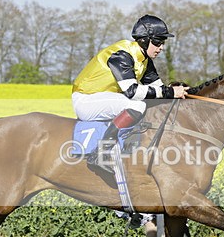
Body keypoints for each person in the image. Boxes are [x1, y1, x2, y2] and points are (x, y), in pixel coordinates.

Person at [71, 14, 188, 175]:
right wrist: (169, 92)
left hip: (104, 98)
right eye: (157, 42)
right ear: (144, 40)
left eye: (162, 43)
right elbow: (132, 92)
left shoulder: (145, 61)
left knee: (151, 103)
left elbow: (159, 89)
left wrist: (181, 91)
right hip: (86, 100)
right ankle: (100, 153)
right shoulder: (121, 55)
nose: (161, 47)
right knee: (137, 104)